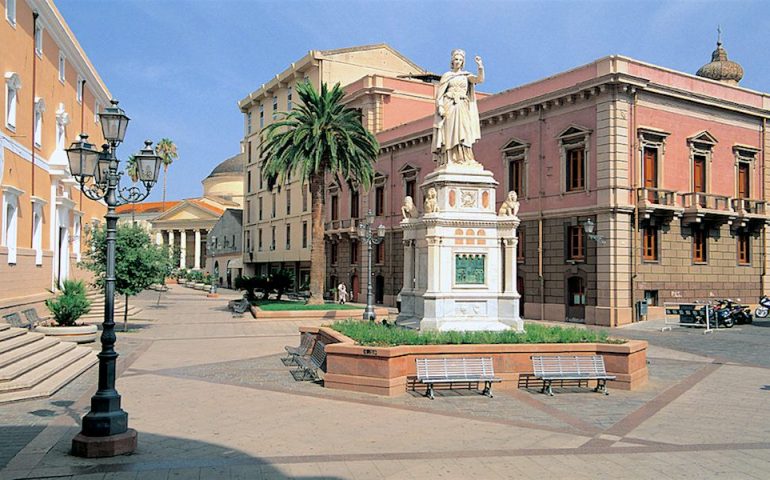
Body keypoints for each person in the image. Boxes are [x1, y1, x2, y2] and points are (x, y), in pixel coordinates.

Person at [433, 49, 484, 167]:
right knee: (450, 132)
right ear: (452, 61)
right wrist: (440, 106)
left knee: (464, 131)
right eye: (456, 59)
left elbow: (479, 80)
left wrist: (480, 67)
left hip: (462, 105)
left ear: (463, 62)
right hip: (449, 105)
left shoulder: (466, 76)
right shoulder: (447, 76)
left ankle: (465, 157)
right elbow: (439, 95)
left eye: (460, 60)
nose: (458, 62)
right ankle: (450, 157)